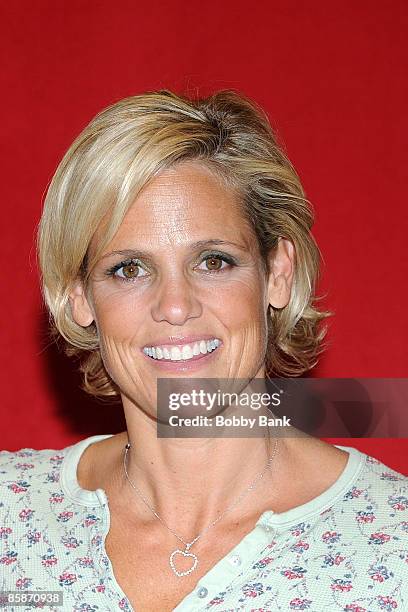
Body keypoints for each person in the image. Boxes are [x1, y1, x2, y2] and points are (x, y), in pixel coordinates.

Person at [1, 89, 407, 612]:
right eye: (128, 268)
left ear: (276, 274)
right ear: (79, 297)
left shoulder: (393, 549)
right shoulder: (12, 518)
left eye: (213, 261)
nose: (175, 306)